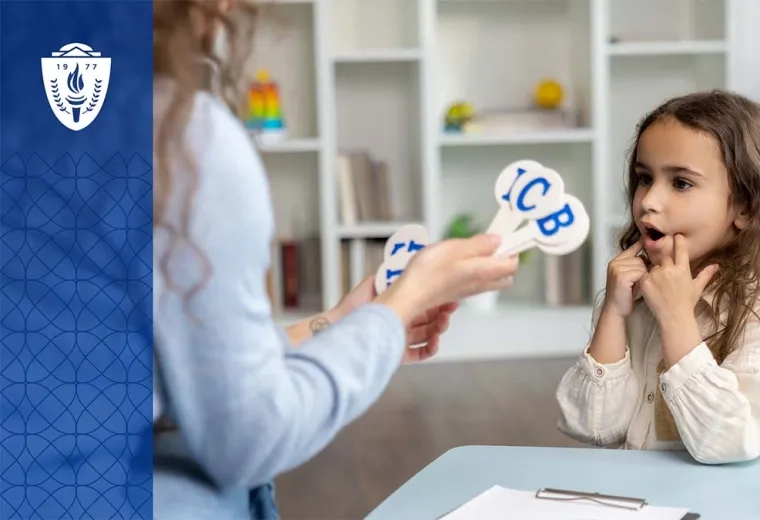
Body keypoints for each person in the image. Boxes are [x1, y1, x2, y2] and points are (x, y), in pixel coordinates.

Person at [152, 1, 520, 518]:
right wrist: (403, 304)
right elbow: (248, 437)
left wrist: (342, 324)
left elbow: (183, 369)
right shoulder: (183, 141)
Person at [555, 89, 760, 465]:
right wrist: (613, 317)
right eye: (645, 178)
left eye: (681, 183)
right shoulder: (632, 294)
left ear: (744, 207)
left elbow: (730, 443)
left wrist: (676, 319)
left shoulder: (753, 310)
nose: (648, 200)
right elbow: (591, 427)